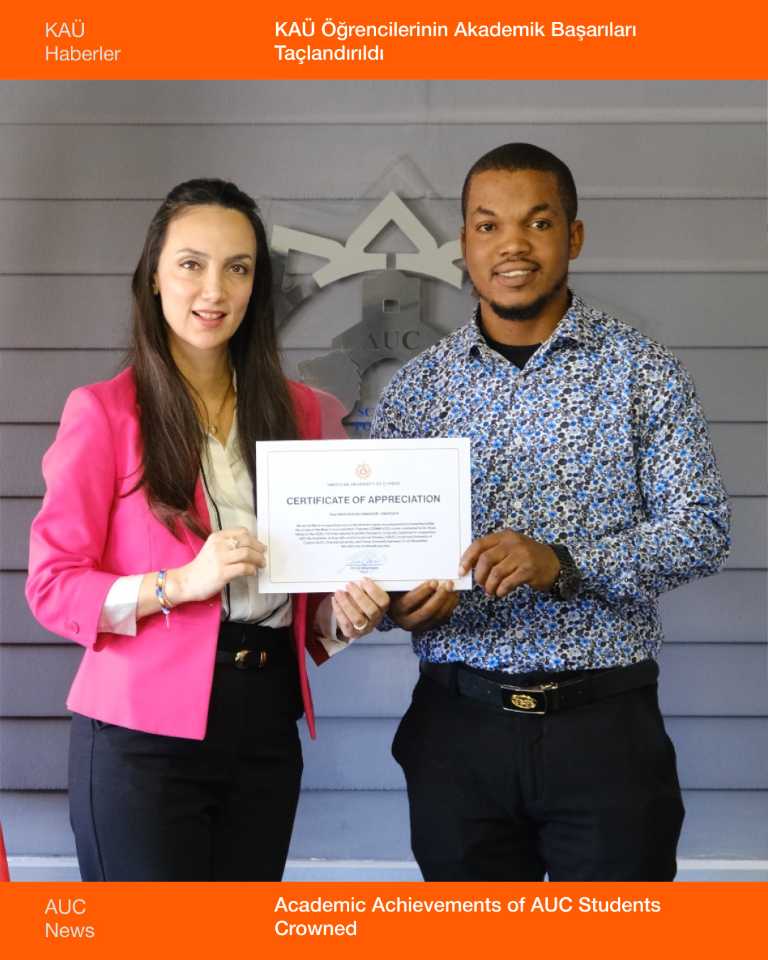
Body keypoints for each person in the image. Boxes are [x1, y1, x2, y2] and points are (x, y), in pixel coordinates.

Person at [370, 143, 730, 881]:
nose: (512, 245)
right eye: (488, 226)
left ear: (574, 236)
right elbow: (380, 558)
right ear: (464, 243)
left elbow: (702, 529)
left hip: (605, 733)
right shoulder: (416, 393)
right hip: (457, 733)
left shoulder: (643, 372)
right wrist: (399, 604)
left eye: (537, 223)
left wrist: (563, 563)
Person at [26, 178, 389, 881]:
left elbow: (309, 597)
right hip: (138, 735)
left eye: (238, 268)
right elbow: (52, 586)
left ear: (257, 286)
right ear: (154, 276)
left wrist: (346, 617)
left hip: (265, 725)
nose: (214, 289)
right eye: (191, 264)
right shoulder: (104, 413)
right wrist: (179, 583)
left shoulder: (307, 413)